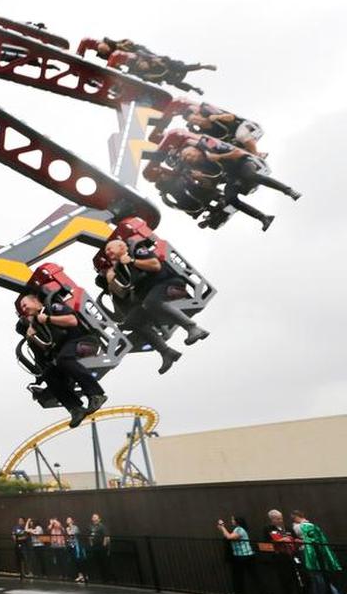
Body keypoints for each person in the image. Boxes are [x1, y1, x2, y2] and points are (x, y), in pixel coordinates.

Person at [97, 238, 208, 374]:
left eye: (110, 249)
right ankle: (167, 353)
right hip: (148, 296)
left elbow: (155, 265)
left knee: (151, 302)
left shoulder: (136, 251)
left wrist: (132, 261)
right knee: (132, 321)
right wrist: (110, 280)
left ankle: (193, 328)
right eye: (106, 251)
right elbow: (121, 293)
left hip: (166, 283)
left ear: (121, 247)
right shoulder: (119, 267)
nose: (108, 252)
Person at [18, 292, 107, 428]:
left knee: (63, 358)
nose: (24, 309)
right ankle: (75, 409)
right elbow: (46, 349)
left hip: (85, 343)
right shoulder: (36, 326)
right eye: (22, 309)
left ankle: (96, 394)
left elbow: (72, 321)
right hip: (66, 353)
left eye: (25, 305)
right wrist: (33, 338)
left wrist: (47, 319)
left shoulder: (52, 308)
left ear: (36, 302)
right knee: (49, 374)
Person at [179, 144, 300, 231]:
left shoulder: (213, 148)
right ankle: (263, 217)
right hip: (233, 177)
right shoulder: (200, 167)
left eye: (188, 154)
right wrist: (202, 178)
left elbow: (239, 153)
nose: (188, 158)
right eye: (185, 158)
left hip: (243, 164)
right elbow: (214, 184)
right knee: (230, 199)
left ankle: (288, 191)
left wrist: (219, 157)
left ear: (196, 150)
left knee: (250, 175)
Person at [291, 510, 347, 594]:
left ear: (296, 517)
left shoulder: (301, 526)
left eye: (293, 518)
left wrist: (297, 533)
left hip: (309, 555)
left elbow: (298, 533)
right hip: (317, 554)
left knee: (319, 579)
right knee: (317, 579)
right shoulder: (312, 525)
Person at [184, 104, 265, 156]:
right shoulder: (203, 132)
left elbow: (232, 117)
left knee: (241, 135)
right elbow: (214, 145)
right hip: (233, 141)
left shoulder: (211, 114)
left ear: (198, 115)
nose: (196, 121)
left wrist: (218, 117)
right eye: (193, 122)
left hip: (245, 127)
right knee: (229, 151)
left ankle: (256, 154)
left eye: (195, 118)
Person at [265, 509, 302, 594]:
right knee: (286, 579)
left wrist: (297, 541)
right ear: (272, 519)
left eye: (281, 518)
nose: (280, 520)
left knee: (297, 577)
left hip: (292, 555)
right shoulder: (268, 528)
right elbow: (267, 542)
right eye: (277, 519)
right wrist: (281, 540)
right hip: (280, 557)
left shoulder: (287, 528)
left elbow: (294, 538)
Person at [218, 515, 257, 594]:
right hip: (241, 555)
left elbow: (229, 537)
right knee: (241, 576)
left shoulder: (239, 529)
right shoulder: (237, 529)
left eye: (232, 519)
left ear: (237, 521)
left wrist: (223, 527)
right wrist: (222, 528)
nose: (231, 521)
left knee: (241, 576)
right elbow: (228, 535)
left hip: (243, 555)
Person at [89, 513, 112, 583]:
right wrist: (91, 544)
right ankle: (102, 578)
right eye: (93, 517)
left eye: (95, 517)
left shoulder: (102, 526)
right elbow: (90, 536)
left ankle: (107, 579)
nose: (94, 518)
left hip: (101, 547)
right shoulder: (91, 527)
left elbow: (106, 536)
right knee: (98, 563)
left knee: (105, 563)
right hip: (95, 547)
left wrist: (104, 545)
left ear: (99, 519)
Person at [66, 516, 87, 582]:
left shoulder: (75, 527)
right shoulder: (67, 528)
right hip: (71, 546)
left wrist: (68, 530)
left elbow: (70, 534)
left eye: (69, 519)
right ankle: (80, 575)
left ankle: (85, 576)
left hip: (77, 546)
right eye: (67, 520)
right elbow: (68, 538)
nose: (67, 520)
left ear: (72, 521)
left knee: (80, 561)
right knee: (75, 562)